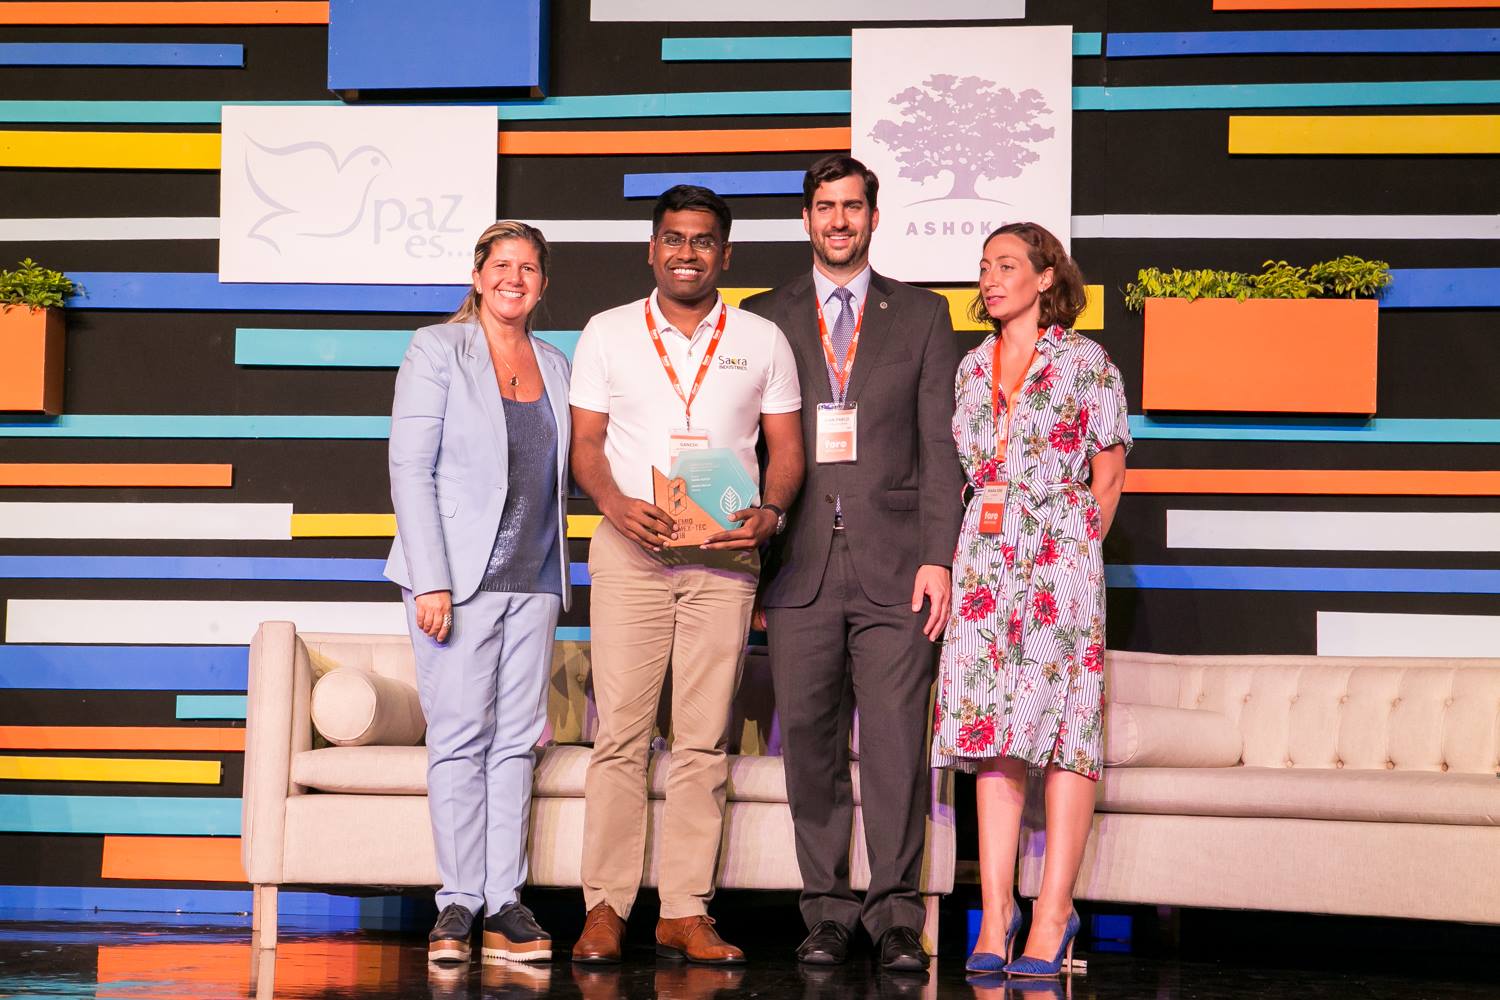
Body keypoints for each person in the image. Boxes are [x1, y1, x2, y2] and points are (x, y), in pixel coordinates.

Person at [568, 185, 804, 965]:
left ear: (724, 254)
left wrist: (770, 512)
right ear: (652, 248)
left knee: (703, 741)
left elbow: (787, 450)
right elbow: (586, 445)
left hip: (724, 559)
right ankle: (605, 908)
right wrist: (614, 505)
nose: (687, 253)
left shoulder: (762, 339)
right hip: (631, 551)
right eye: (674, 238)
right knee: (620, 737)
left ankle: (684, 912)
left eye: (703, 240)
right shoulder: (607, 332)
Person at [741, 155, 963, 972]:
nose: (839, 220)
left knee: (899, 743)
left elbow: (941, 449)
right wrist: (750, 564)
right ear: (806, 218)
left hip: (898, 566)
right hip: (796, 565)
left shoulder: (925, 315)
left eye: (853, 206)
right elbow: (749, 448)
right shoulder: (762, 317)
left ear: (874, 216)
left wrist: (938, 557)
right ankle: (827, 911)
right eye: (825, 206)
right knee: (809, 743)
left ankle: (897, 914)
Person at [932, 223, 1129, 978]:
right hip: (983, 556)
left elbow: (1109, 476)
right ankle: (998, 913)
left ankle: (1053, 913)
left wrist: (1074, 551)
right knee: (992, 730)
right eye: (984, 267)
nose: (990, 279)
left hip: (1059, 559)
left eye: (1007, 265)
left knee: (1066, 728)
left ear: (1046, 277)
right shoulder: (969, 367)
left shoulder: (1086, 362)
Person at [384, 221, 572, 966]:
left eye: (528, 268)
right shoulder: (437, 349)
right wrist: (430, 578)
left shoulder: (557, 363)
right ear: (477, 275)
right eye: (501, 265)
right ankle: (457, 903)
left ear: (543, 284)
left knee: (516, 743)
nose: (513, 278)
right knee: (460, 739)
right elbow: (410, 468)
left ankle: (505, 903)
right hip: (456, 583)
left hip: (536, 579)